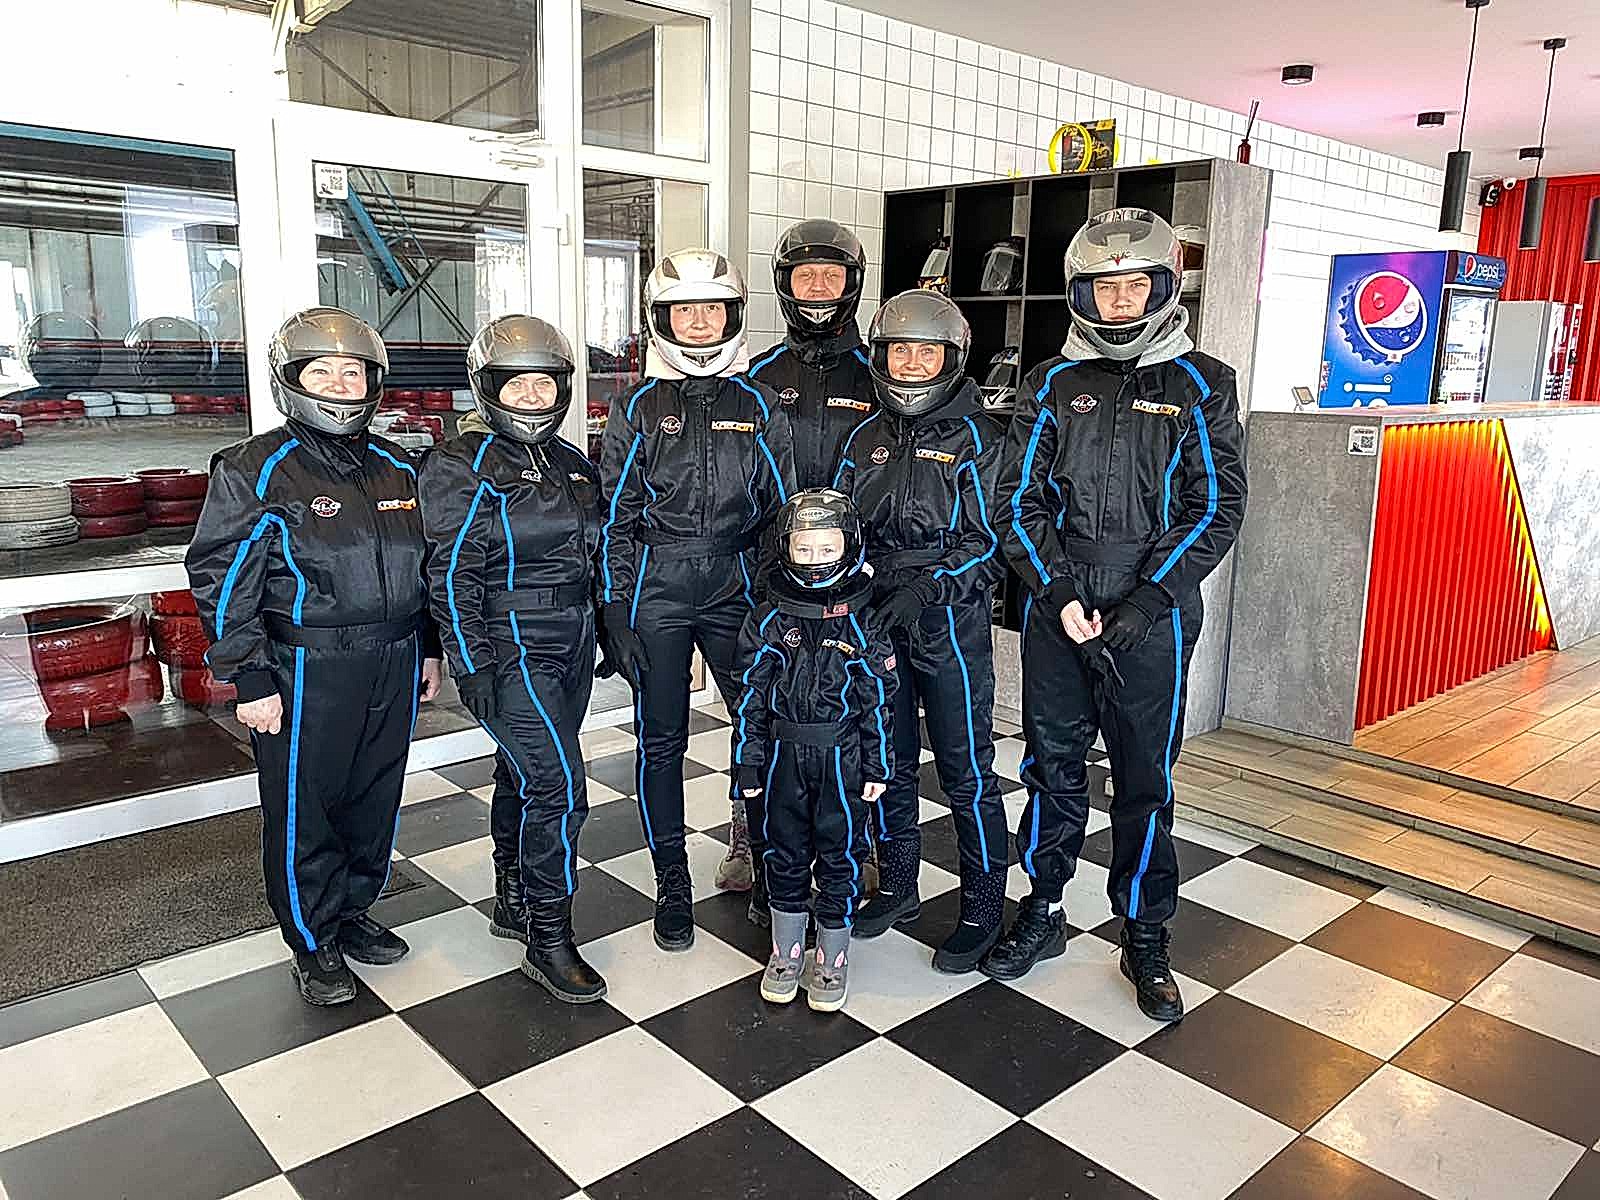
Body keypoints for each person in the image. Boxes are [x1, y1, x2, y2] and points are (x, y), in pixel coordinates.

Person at [986, 208, 1247, 1022]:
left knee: (1144, 778)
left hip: (1153, 613)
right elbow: (1015, 501)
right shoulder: (1050, 383)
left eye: (1136, 285)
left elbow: (1216, 506)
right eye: (1105, 287)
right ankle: (1043, 907)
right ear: (1082, 294)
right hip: (1058, 606)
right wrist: (1057, 592)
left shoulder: (1203, 384)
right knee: (1051, 766)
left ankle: (1145, 930)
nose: (1121, 301)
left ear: (1166, 288)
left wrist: (1146, 600)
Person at [187, 307, 444, 1007]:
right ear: (291, 380)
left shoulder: (399, 466)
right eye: (321, 372)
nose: (338, 385)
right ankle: (310, 938)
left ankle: (353, 910)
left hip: (394, 658)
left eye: (352, 372)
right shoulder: (256, 468)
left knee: (374, 795)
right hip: (305, 666)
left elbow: (424, 567)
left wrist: (427, 647)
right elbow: (221, 576)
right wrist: (249, 675)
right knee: (306, 806)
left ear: (373, 383)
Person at [597, 248, 796, 951]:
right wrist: (614, 608)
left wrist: (777, 601)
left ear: (734, 315)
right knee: (661, 741)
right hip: (658, 588)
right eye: (686, 310)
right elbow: (614, 517)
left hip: (739, 586)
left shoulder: (759, 405)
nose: (701, 323)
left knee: (763, 728)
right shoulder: (636, 408)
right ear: (662, 319)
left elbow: (782, 512)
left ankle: (770, 868)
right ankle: (672, 882)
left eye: (713, 308)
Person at [418, 315, 606, 1003]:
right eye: (516, 383)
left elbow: (596, 555)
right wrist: (470, 663)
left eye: (544, 383)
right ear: (488, 387)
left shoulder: (573, 462)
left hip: (573, 641)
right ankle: (549, 938)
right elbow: (450, 573)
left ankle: (513, 894)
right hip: (510, 644)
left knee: (521, 772)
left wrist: (611, 634)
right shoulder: (459, 465)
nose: (531, 396)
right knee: (558, 786)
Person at [833, 290, 1009, 974]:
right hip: (877, 617)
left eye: (925, 352)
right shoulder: (864, 438)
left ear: (951, 359)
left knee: (966, 769)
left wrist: (927, 587)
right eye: (899, 351)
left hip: (949, 621)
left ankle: (983, 908)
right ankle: (899, 884)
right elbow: (843, 524)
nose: (910, 364)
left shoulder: (979, 439)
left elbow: (989, 541)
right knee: (889, 757)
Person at [728, 219, 878, 897]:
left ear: (853, 284)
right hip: (773, 579)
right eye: (804, 276)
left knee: (856, 705)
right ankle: (753, 839)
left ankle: (857, 843)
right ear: (784, 284)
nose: (818, 288)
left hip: (853, 580)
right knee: (762, 704)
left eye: (831, 275)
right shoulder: (757, 376)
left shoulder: (877, 373)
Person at [731, 489, 896, 1011]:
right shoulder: (768, 620)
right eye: (803, 549)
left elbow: (878, 703)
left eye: (827, 549)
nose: (815, 559)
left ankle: (832, 956)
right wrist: (747, 762)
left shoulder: (864, 623)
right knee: (783, 852)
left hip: (842, 758)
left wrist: (878, 765)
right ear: (785, 550)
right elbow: (750, 699)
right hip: (783, 758)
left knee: (841, 854)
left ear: (849, 547)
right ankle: (785, 952)